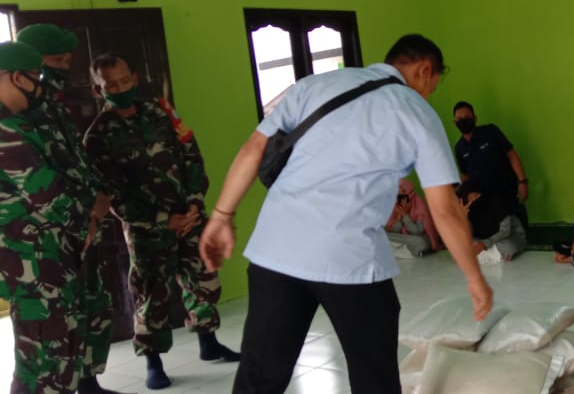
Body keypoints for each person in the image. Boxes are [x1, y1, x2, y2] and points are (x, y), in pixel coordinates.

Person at [199, 34, 493, 394]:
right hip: (349, 257)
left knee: (259, 375)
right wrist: (474, 276)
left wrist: (221, 215)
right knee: (374, 376)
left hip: (276, 249)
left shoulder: (314, 85)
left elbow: (252, 150)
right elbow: (444, 209)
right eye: (433, 84)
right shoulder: (416, 112)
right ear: (423, 70)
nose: (429, 92)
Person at [83, 54, 239, 389]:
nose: (120, 88)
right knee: (152, 294)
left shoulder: (161, 111)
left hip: (190, 216)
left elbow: (191, 154)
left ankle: (209, 343)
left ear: (135, 79)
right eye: (111, 85)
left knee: (204, 280)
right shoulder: (97, 136)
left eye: (125, 81)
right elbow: (112, 193)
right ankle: (153, 362)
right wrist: (163, 220)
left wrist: (195, 200)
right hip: (148, 230)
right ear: (98, 90)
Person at [15, 24, 119, 394]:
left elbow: (74, 160)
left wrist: (99, 197)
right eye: (57, 61)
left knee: (92, 307)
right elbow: (38, 183)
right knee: (50, 332)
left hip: (83, 224)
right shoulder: (23, 113)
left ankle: (88, 381)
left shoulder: (54, 106)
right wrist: (82, 215)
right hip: (52, 234)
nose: (65, 68)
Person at [0, 41, 88, 394]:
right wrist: (88, 220)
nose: (39, 86)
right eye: (34, 76)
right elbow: (49, 198)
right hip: (33, 264)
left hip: (38, 259)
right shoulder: (6, 133)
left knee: (44, 355)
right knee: (46, 360)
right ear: (13, 77)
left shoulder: (16, 124)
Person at [452, 102, 529, 224]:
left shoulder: (491, 132)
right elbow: (465, 175)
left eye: (467, 118)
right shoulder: (459, 148)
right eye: (459, 119)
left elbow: (511, 154)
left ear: (475, 118)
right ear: (455, 122)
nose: (463, 121)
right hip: (481, 194)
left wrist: (522, 181)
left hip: (503, 188)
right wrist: (461, 192)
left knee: (509, 223)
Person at [458, 183, 527, 264]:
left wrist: (483, 244)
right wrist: (464, 219)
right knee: (460, 246)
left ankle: (489, 255)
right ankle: (493, 255)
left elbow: (505, 231)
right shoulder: (470, 208)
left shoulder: (498, 201)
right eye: (469, 199)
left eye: (475, 196)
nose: (472, 200)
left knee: (509, 246)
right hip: (484, 240)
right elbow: (470, 236)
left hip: (509, 237)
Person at [385, 179, 441, 258]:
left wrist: (405, 216)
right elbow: (394, 233)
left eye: (403, 191)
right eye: (397, 192)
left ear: (410, 192)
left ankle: (397, 251)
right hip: (405, 243)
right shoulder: (395, 207)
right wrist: (399, 218)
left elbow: (417, 233)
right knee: (383, 236)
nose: (400, 195)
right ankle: (403, 251)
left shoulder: (419, 207)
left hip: (417, 241)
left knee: (420, 241)